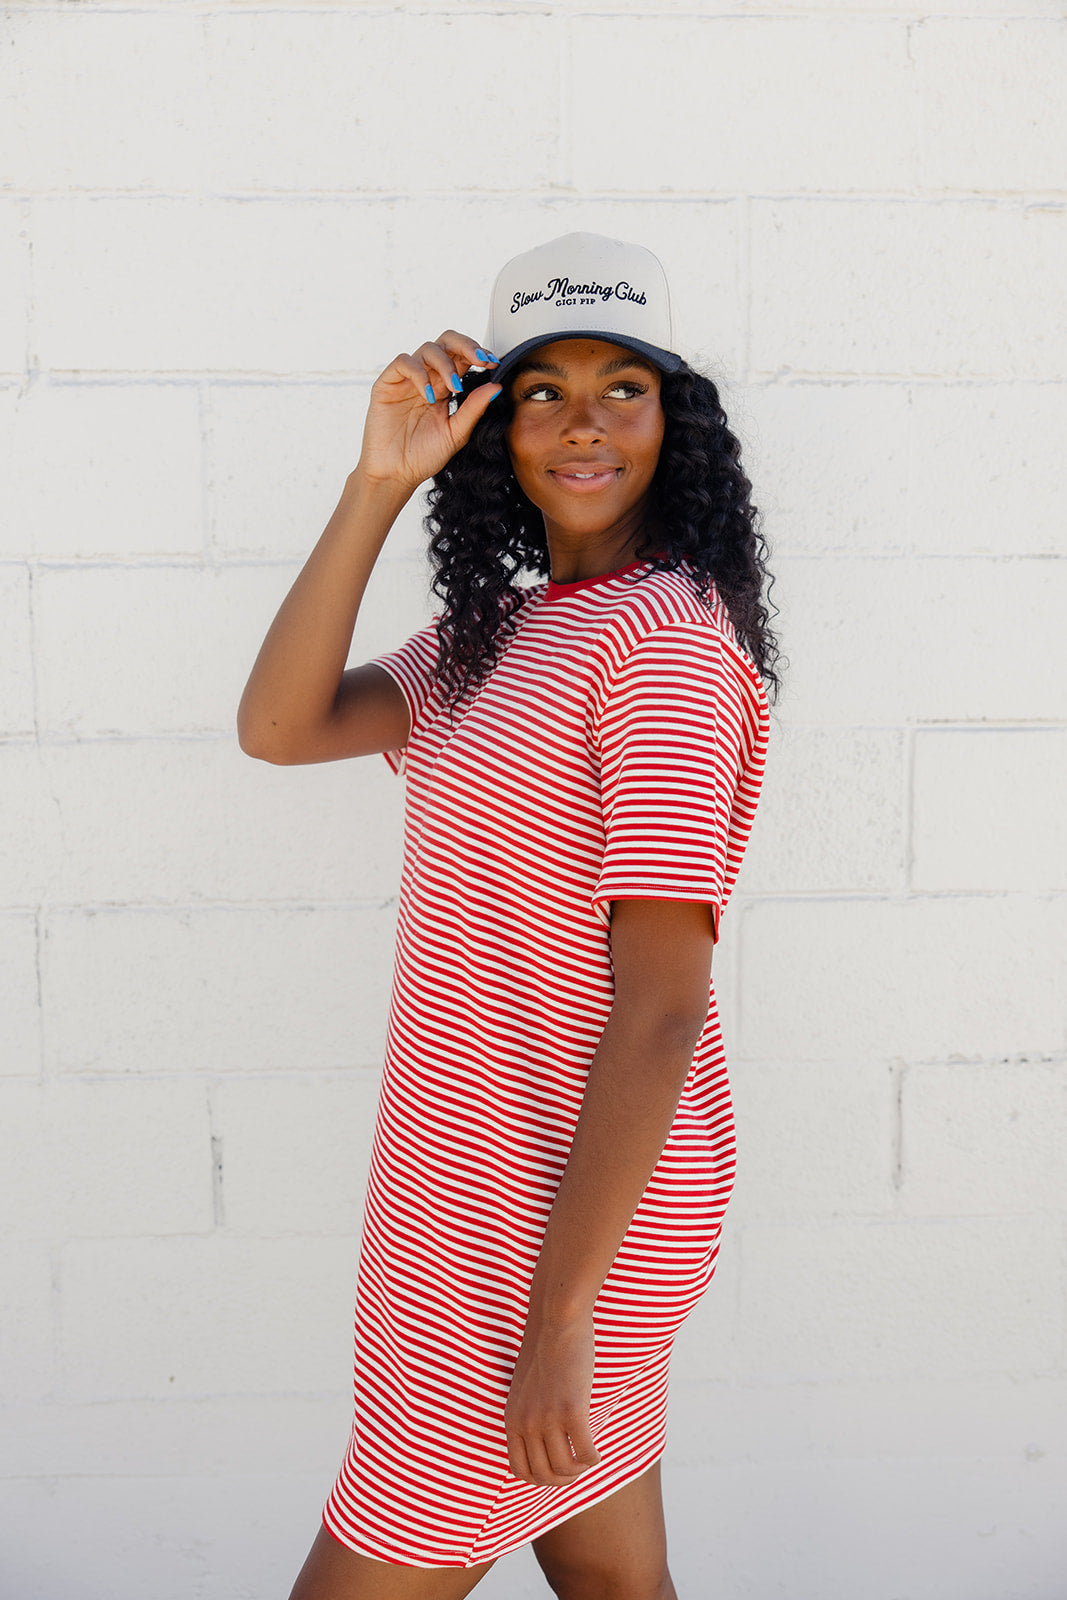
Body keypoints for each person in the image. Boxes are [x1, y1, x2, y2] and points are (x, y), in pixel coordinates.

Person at [237, 232, 781, 1600]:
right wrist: (377, 483)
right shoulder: (502, 635)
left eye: (624, 388)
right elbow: (281, 724)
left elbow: (661, 1010)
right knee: (607, 1571)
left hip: (559, 1226)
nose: (584, 423)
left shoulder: (664, 646)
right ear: (496, 424)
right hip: (473, 1190)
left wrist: (561, 1313)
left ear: (678, 421)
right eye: (543, 390)